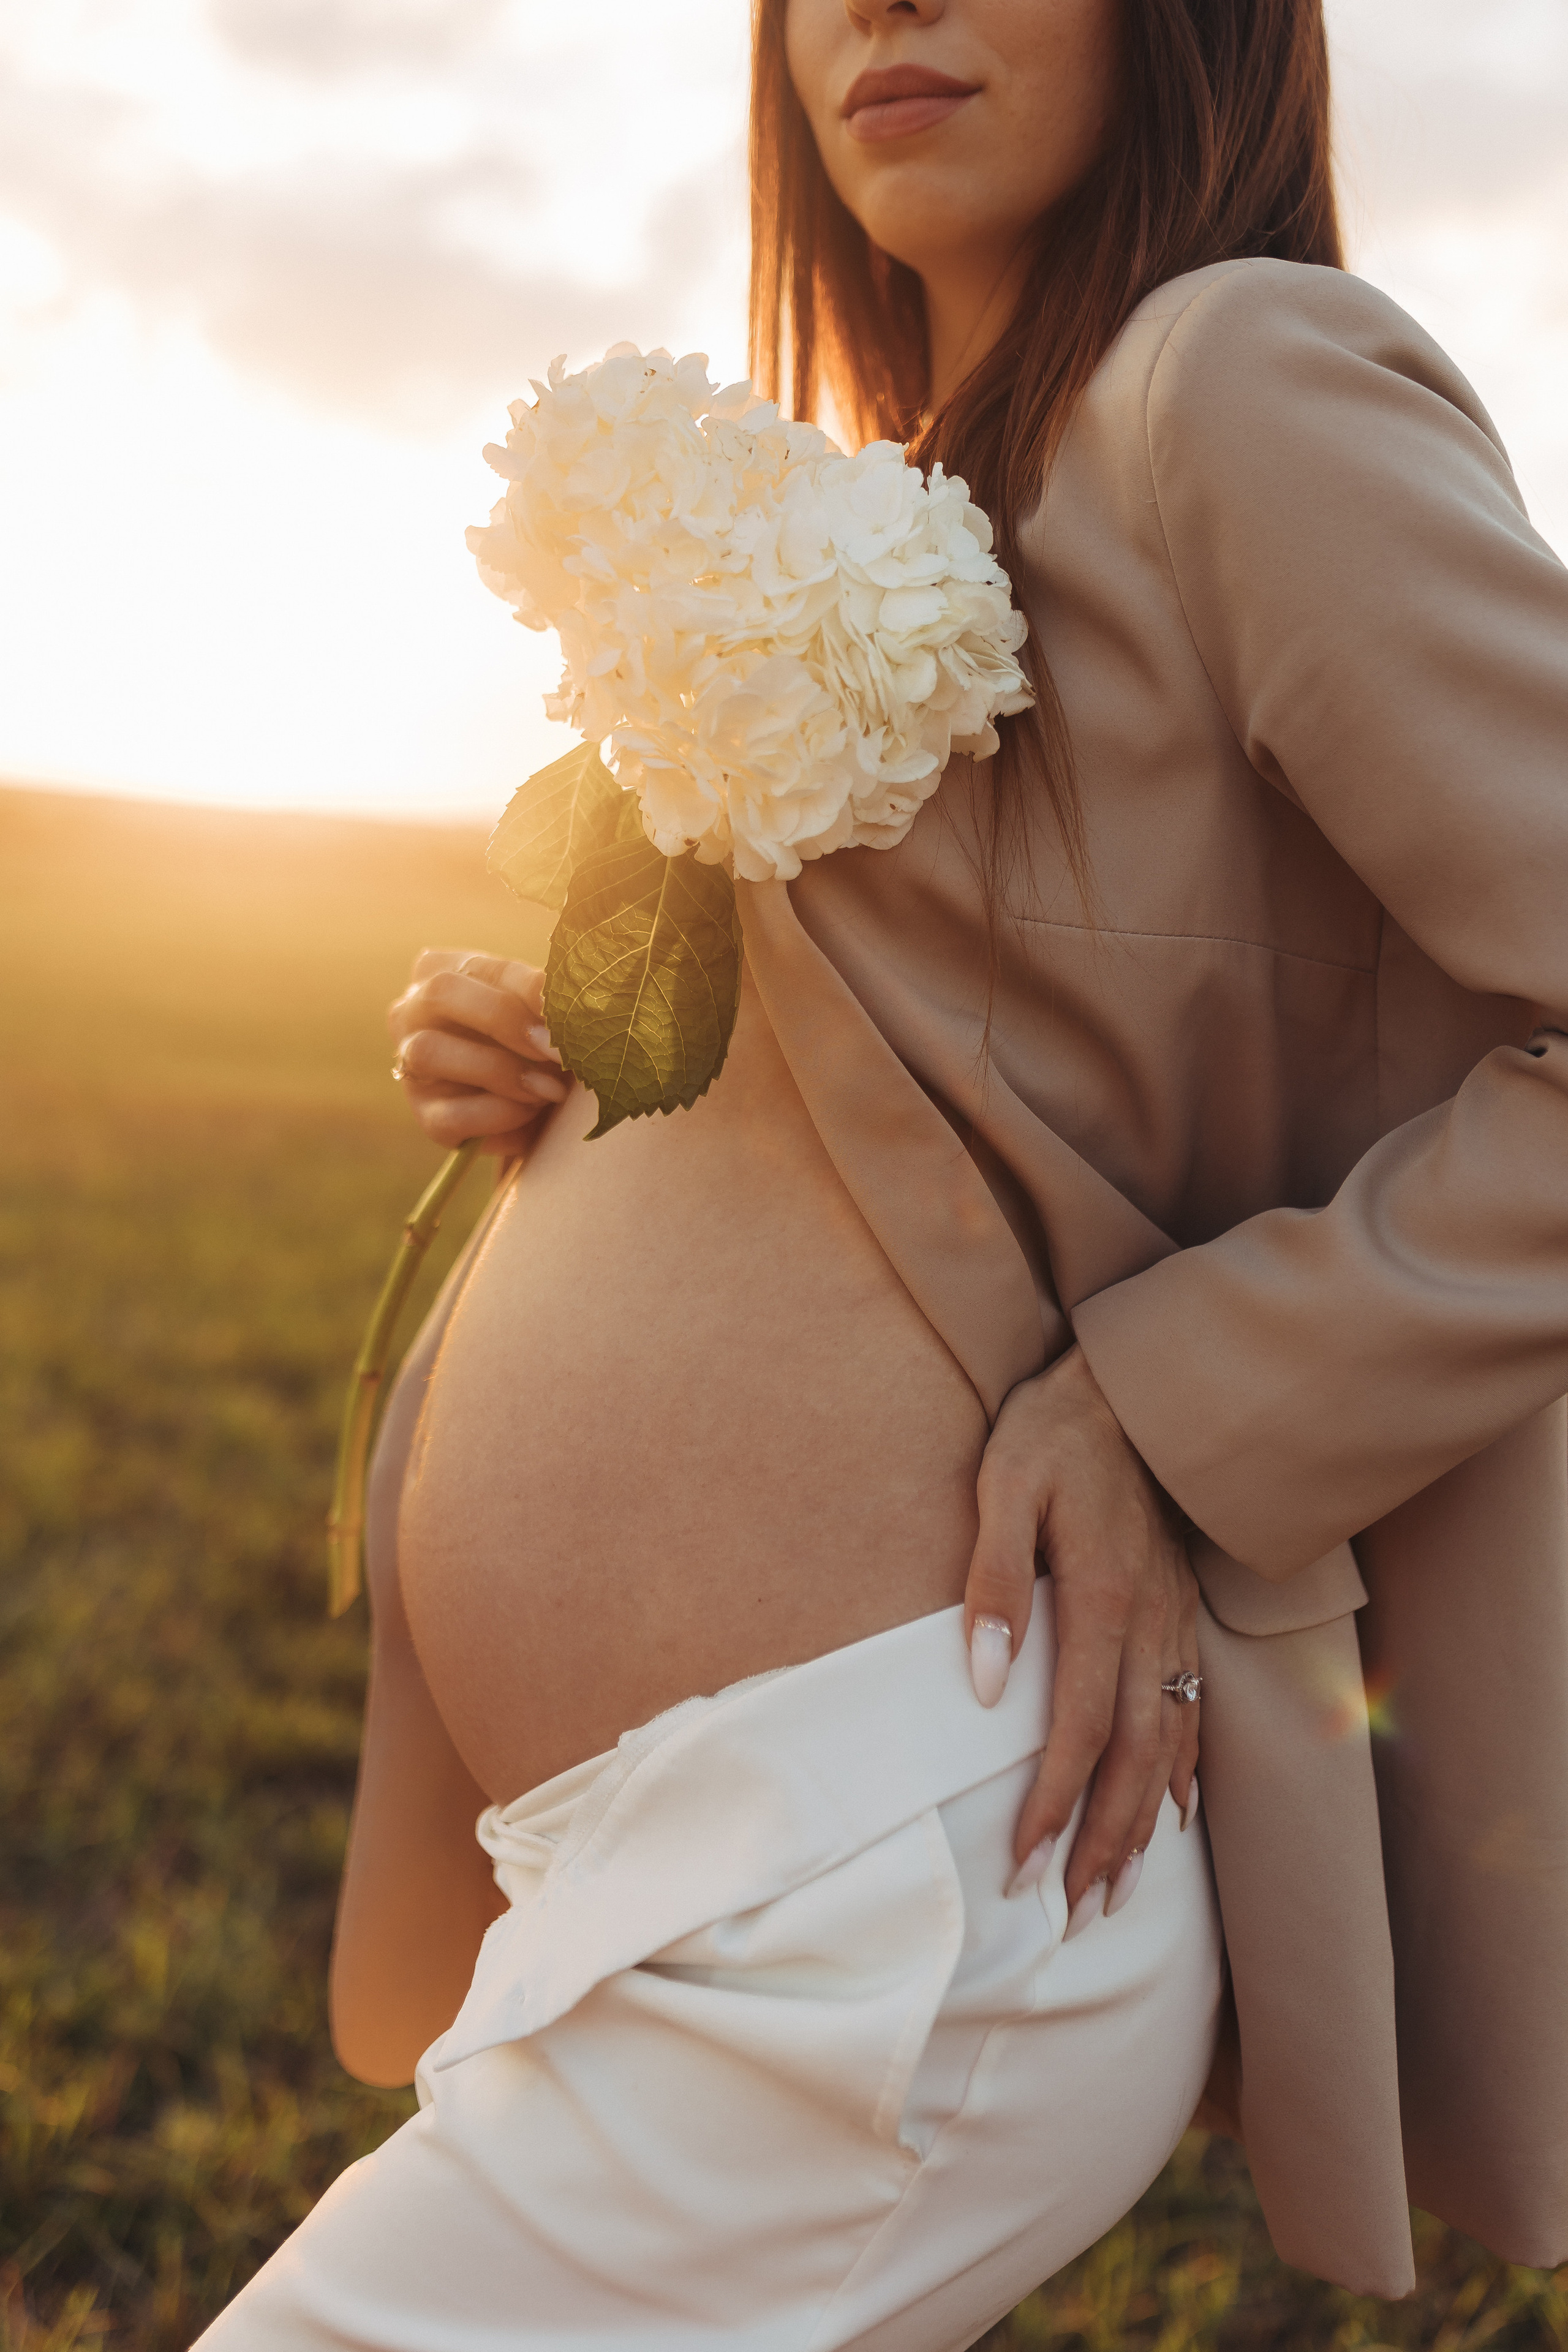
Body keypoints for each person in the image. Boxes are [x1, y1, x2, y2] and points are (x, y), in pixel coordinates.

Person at [197, 0, 1568, 2343]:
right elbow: (960, 1073)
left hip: (910, 1869)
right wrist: (596, 1067)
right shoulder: (900, 504)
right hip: (743, 1862)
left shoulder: (1237, 384)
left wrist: (1179, 1405)